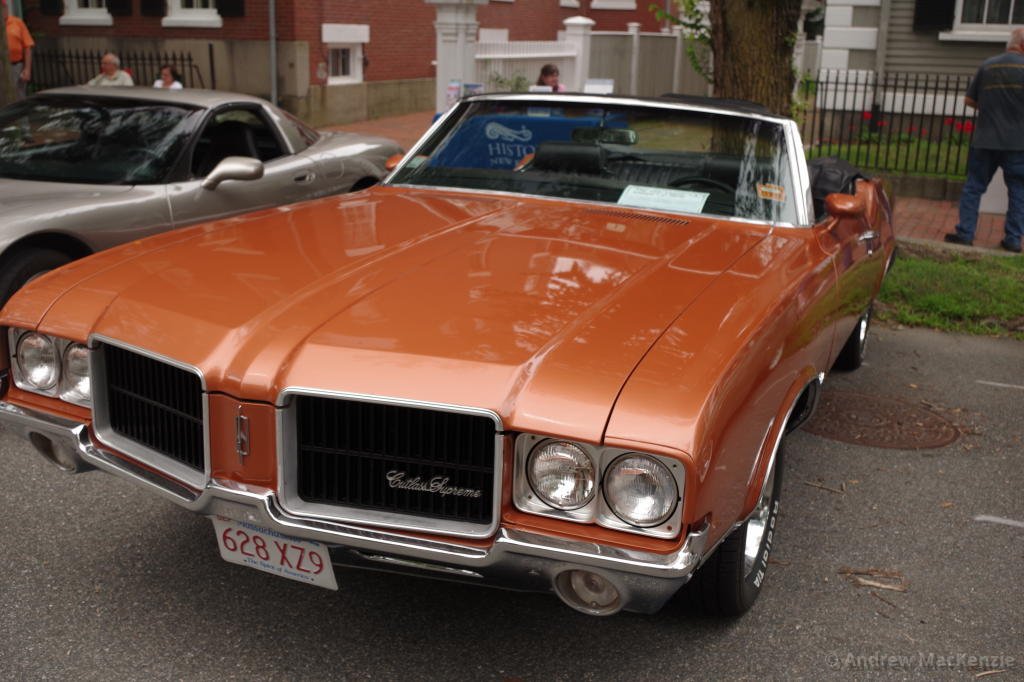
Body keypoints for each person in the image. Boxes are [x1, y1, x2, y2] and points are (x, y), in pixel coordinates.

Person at [945, 27, 1024, 254]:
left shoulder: (988, 65)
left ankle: (965, 234)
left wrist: (990, 107)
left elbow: (970, 100)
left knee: (974, 187)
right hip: (1018, 143)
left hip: (985, 139)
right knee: (1018, 191)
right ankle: (1013, 239)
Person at [3, 0, 34, 101]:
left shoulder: (17, 22)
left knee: (19, 95)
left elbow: (28, 46)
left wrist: (27, 69)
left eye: (4, 8)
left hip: (16, 66)